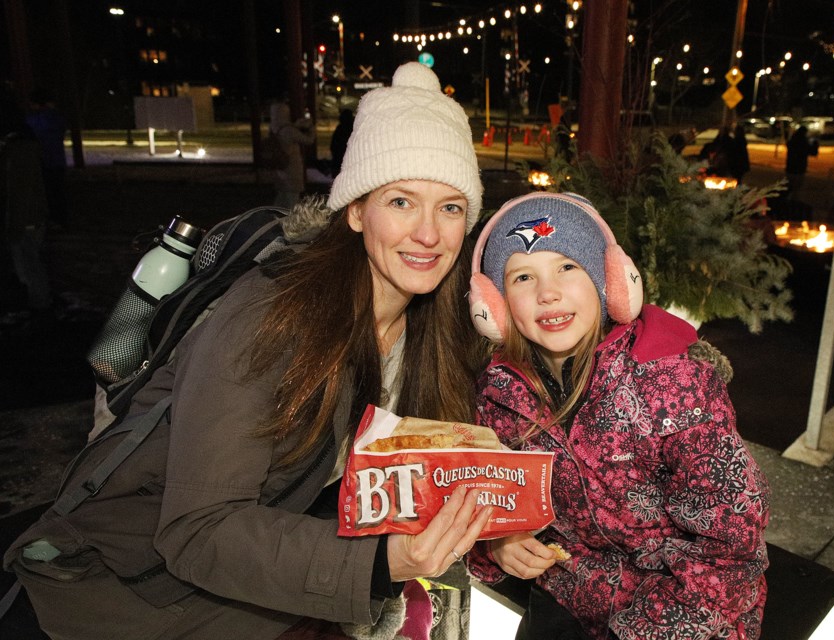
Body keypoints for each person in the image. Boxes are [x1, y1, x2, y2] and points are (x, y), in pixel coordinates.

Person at [6, 62, 491, 640]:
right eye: (402, 201)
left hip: (250, 598)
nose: (429, 234)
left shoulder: (427, 332)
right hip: (122, 599)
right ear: (357, 211)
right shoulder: (269, 317)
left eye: (451, 207)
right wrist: (382, 561)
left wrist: (494, 525)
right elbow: (197, 531)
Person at [465, 192, 770, 639]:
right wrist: (499, 540)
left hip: (686, 611)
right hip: (567, 593)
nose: (548, 293)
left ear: (610, 282)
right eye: (522, 276)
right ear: (495, 306)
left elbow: (729, 549)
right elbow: (489, 491)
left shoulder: (675, 382)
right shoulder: (499, 393)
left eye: (568, 267)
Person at [1, 83, 53, 322]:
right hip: (28, 217)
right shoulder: (21, 144)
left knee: (29, 264)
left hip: (27, 219)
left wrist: (16, 224)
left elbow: (21, 190)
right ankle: (38, 305)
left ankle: (41, 307)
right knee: (28, 263)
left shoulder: (18, 149)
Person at [25, 88, 68, 228]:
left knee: (50, 192)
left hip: (45, 159)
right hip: (57, 159)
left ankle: (54, 219)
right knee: (58, 190)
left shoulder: (36, 120)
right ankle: (60, 218)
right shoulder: (55, 117)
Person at [271, 100, 316, 209]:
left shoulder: (274, 128)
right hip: (292, 168)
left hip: (281, 168)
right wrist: (310, 128)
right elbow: (309, 140)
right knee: (292, 202)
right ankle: (291, 224)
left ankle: (274, 220)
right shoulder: (289, 131)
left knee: (281, 198)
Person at [785, 125, 817, 200]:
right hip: (799, 169)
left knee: (788, 187)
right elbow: (812, 152)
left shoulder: (792, 140)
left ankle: (786, 202)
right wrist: (815, 144)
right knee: (796, 189)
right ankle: (793, 204)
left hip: (790, 168)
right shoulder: (803, 142)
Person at [330, 108, 354, 179]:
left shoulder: (339, 129)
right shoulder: (353, 130)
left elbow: (333, 146)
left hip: (338, 160)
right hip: (349, 161)